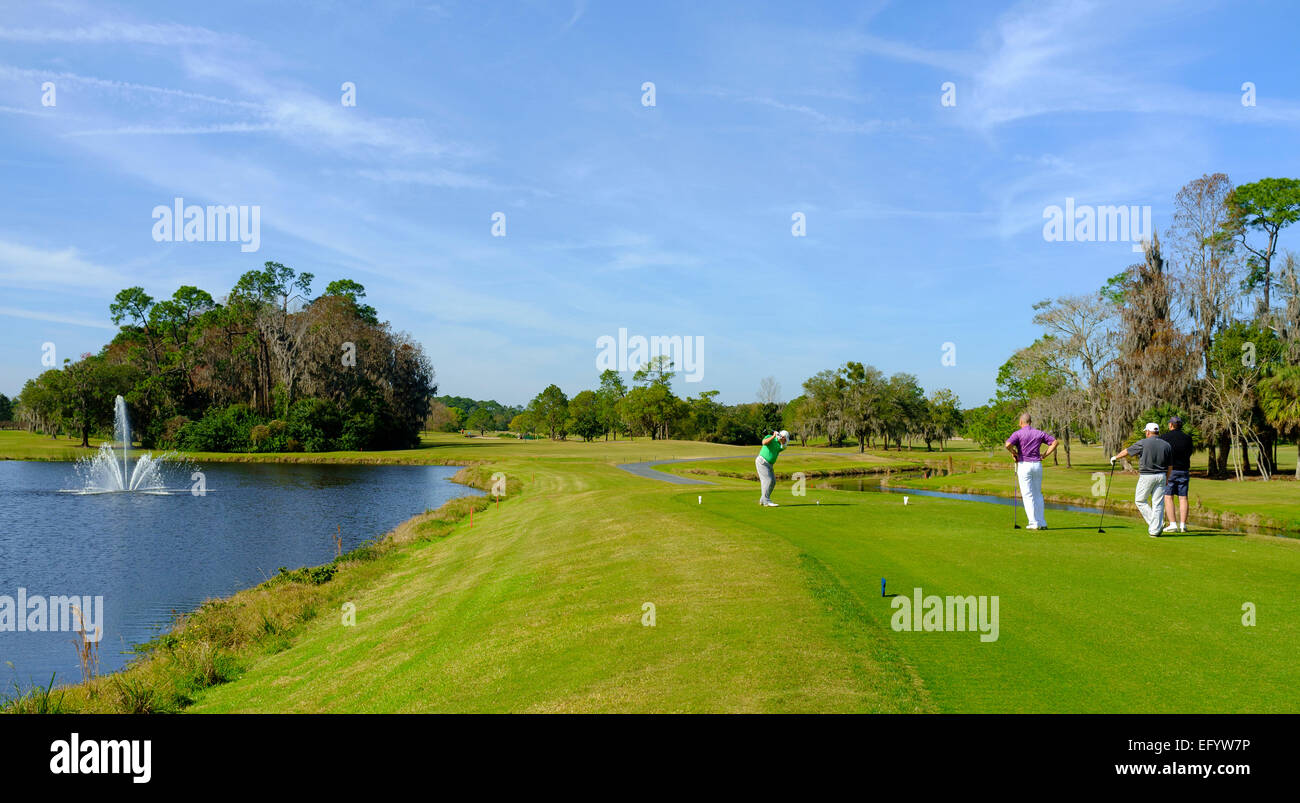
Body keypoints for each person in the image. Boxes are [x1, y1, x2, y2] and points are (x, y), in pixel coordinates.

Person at [1111, 423, 1173, 537]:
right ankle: (1156, 528)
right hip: (1162, 476)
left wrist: (1115, 457)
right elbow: (1170, 466)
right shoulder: (1166, 445)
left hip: (1147, 476)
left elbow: (1127, 451)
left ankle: (1155, 525)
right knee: (1158, 504)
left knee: (1140, 500)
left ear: (1148, 432)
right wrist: (1168, 479)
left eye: (1146, 431)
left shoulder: (1143, 442)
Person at [1003, 413, 1058, 530]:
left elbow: (1007, 445)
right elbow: (1055, 442)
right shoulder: (1039, 433)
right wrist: (1045, 455)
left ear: (1021, 422)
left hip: (1024, 465)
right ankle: (1042, 522)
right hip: (1037, 465)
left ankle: (1033, 523)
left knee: (1028, 495)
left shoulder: (1018, 433)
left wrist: (1014, 452)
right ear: (1030, 422)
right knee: (1038, 494)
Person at [1160, 416, 1193, 533]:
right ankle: (1183, 525)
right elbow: (1190, 453)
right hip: (1184, 470)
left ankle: (1173, 524)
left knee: (1168, 497)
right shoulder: (1188, 438)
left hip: (1170, 471)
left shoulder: (1164, 438)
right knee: (1183, 497)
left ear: (1171, 425)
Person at [756, 429, 789, 507]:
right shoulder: (770, 437)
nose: (785, 441)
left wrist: (780, 439)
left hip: (769, 465)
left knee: (773, 481)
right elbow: (764, 442)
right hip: (762, 462)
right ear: (783, 437)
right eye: (785, 440)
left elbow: (784, 446)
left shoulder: (781, 445)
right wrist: (774, 436)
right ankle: (766, 501)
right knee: (768, 481)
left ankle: (762, 499)